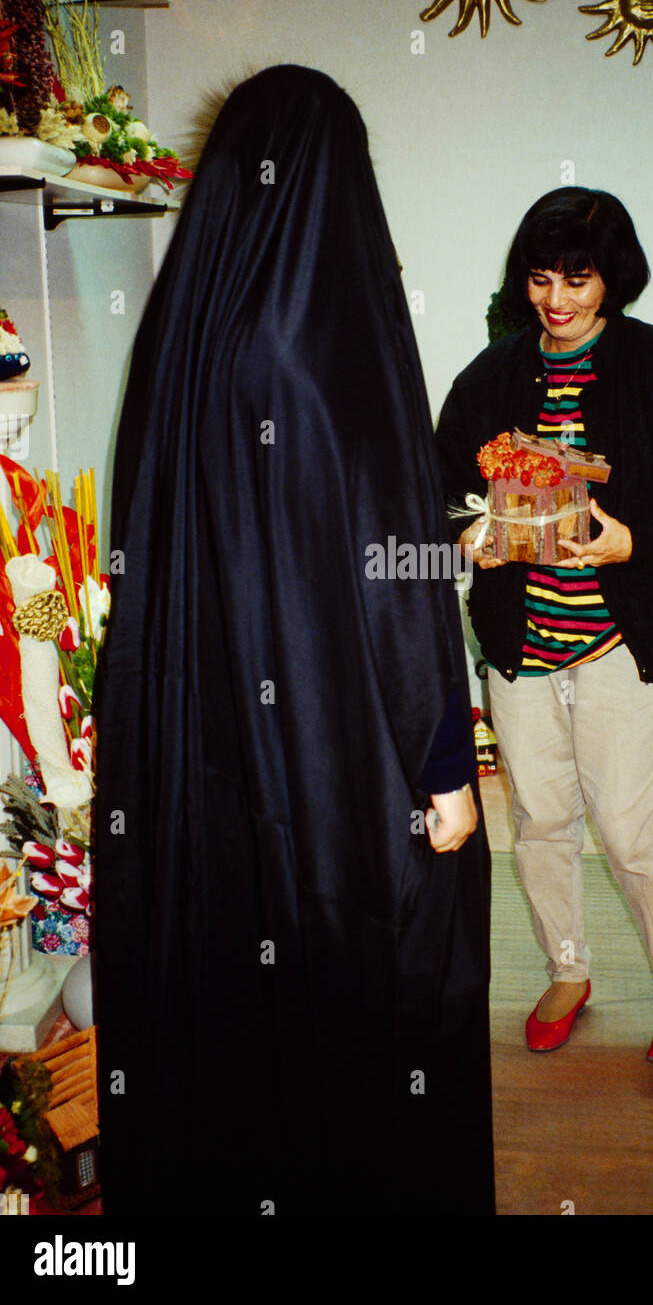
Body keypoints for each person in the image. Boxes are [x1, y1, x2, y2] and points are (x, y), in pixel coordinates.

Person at [93, 65, 494, 1215]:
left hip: (204, 736)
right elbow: (391, 569)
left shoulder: (184, 332)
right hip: (337, 744)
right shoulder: (331, 342)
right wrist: (443, 759)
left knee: (237, 981)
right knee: (377, 980)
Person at [435, 187, 653, 1060]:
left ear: (613, 279)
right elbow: (437, 486)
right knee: (539, 824)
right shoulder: (489, 377)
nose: (556, 300)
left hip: (624, 644)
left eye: (577, 279)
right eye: (540, 279)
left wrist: (629, 542)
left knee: (636, 836)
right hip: (520, 647)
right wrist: (471, 535)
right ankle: (568, 971)